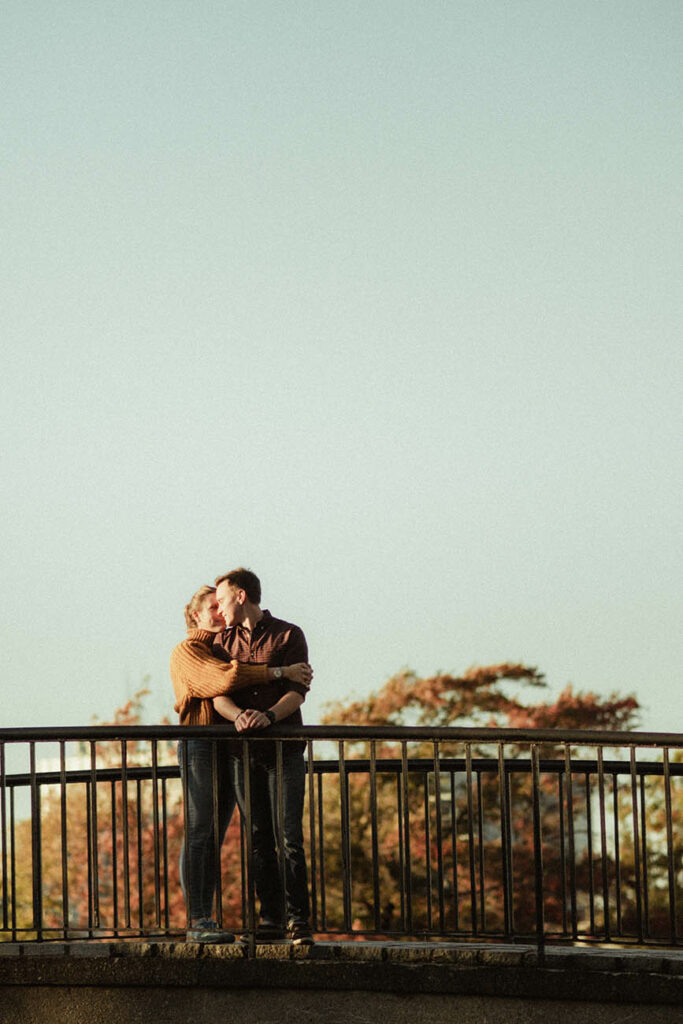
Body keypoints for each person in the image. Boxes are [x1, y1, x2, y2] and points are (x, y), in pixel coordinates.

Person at [170, 584, 312, 943]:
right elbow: (226, 680)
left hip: (229, 747)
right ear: (196, 615)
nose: (220, 612)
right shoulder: (190, 650)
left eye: (221, 604)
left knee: (219, 833)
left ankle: (280, 920)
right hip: (202, 744)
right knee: (202, 831)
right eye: (212, 607)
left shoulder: (226, 644)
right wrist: (280, 672)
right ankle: (199, 919)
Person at [211, 568, 314, 945]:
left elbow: (297, 692)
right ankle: (269, 919)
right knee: (257, 838)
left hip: (284, 750)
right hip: (242, 753)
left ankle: (298, 920)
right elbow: (218, 693)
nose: (219, 609)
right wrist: (239, 716)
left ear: (241, 596)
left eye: (222, 600)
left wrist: (269, 716)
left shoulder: (289, 634)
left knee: (289, 836)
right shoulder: (221, 643)